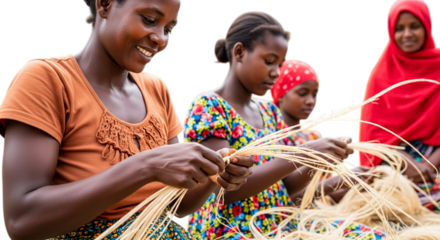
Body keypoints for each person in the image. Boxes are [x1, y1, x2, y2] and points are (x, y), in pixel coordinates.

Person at [0, 0, 255, 239]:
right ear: (105, 4)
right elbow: (22, 221)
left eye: (168, 28)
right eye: (148, 19)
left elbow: (177, 205)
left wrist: (215, 176)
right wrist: (147, 166)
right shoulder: (47, 79)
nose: (160, 38)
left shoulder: (157, 89)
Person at [183, 9, 385, 240]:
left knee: (374, 236)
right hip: (232, 229)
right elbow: (222, 190)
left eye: (280, 65)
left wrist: (319, 157)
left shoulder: (269, 112)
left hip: (281, 223)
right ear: (239, 52)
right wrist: (303, 153)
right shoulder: (209, 106)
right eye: (269, 61)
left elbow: (286, 186)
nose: (275, 73)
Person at [359, 0, 440, 212]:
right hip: (394, 169)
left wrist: (428, 165)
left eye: (414, 26)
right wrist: (408, 163)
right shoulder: (380, 75)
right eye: (399, 28)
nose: (407, 34)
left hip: (435, 166)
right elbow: (372, 137)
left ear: (427, 26)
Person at [271, 58, 374, 205]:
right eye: (302, 93)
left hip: (322, 214)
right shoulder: (272, 139)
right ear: (280, 92)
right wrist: (338, 181)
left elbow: (324, 197)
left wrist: (354, 183)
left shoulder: (314, 137)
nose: (310, 101)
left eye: (314, 94)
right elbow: (285, 197)